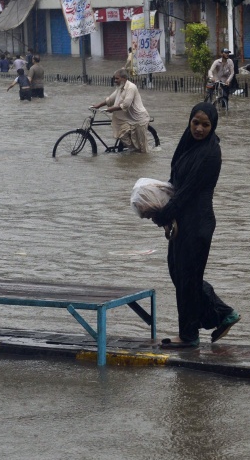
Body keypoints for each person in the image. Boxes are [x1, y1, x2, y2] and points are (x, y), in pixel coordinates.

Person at [150, 102, 241, 348]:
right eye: (195, 123)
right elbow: (175, 181)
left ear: (213, 127)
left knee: (188, 277)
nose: (199, 129)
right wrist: (164, 209)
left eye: (205, 125)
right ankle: (222, 314)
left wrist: (163, 215)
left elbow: (188, 191)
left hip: (198, 222)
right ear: (189, 121)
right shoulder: (187, 144)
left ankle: (190, 334)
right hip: (183, 218)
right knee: (179, 273)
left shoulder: (210, 153)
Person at [91, 68, 151, 153]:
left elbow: (126, 104)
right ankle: (133, 151)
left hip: (139, 118)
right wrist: (98, 105)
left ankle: (141, 158)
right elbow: (110, 100)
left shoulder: (131, 87)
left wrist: (112, 109)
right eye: (114, 78)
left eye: (117, 78)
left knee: (142, 147)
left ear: (124, 78)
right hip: (128, 117)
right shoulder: (120, 88)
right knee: (122, 133)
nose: (115, 80)